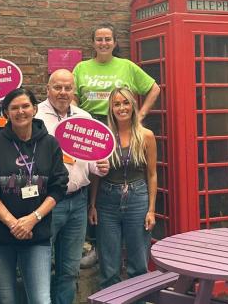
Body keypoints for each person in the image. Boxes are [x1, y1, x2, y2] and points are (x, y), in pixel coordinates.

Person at [0, 88, 68, 304]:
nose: (20, 112)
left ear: (35, 109)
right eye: (14, 108)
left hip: (37, 234)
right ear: (6, 113)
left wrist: (32, 219)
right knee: (6, 299)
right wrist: (13, 223)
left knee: (41, 300)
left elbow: (58, 186)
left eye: (25, 106)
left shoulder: (50, 143)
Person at [34, 69, 109, 304]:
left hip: (78, 202)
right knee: (41, 267)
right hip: (46, 202)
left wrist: (101, 167)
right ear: (47, 89)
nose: (63, 92)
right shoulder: (34, 116)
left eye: (68, 88)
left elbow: (91, 161)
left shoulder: (84, 117)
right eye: (57, 87)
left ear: (74, 91)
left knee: (69, 268)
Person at [89, 88, 157, 289]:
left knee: (139, 264)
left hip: (138, 198)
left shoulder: (146, 136)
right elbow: (95, 174)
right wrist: (92, 205)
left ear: (133, 106)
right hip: (107, 200)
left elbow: (152, 174)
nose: (122, 108)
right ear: (111, 108)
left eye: (125, 103)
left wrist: (151, 210)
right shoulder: (104, 135)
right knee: (109, 266)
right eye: (117, 104)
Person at [73, 22, 161, 125]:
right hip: (88, 124)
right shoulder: (81, 67)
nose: (103, 43)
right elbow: (73, 98)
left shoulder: (127, 66)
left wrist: (140, 116)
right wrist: (75, 117)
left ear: (114, 43)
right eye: (99, 40)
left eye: (108, 39)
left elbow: (154, 89)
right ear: (93, 43)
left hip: (120, 123)